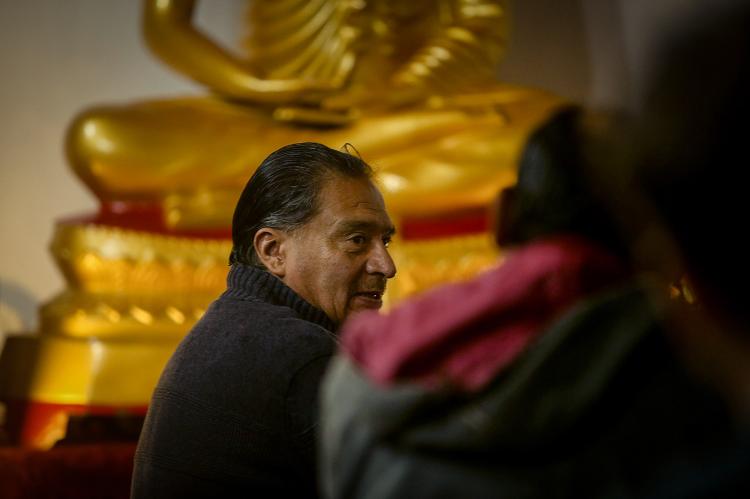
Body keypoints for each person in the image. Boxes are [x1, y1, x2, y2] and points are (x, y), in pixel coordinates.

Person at [319, 107, 738, 498]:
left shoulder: (366, 359)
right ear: (660, 228)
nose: (388, 267)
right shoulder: (697, 358)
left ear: (503, 216)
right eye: (357, 240)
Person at [131, 142, 397, 498]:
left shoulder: (233, 322)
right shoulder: (303, 355)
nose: (386, 266)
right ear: (273, 251)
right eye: (357, 239)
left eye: (386, 241)